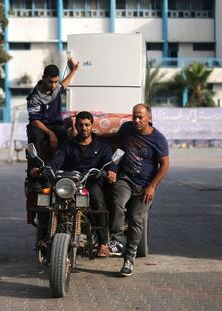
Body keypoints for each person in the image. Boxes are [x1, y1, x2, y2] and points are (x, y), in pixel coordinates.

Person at [31, 111, 117, 257]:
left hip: (90, 182)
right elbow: (55, 162)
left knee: (99, 204)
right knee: (47, 200)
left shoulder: (102, 145)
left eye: (87, 125)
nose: (84, 128)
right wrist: (43, 170)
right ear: (76, 126)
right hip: (69, 183)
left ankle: (103, 243)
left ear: (92, 126)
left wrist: (111, 171)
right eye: (80, 125)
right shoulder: (68, 145)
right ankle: (44, 238)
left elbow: (110, 161)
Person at [108, 104, 169, 276]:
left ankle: (129, 257)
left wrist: (152, 187)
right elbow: (118, 146)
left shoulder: (158, 139)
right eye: (134, 116)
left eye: (140, 117)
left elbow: (165, 165)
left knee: (136, 218)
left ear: (149, 117)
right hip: (125, 178)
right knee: (118, 200)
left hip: (145, 185)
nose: (136, 120)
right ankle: (117, 239)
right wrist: (112, 166)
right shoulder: (127, 128)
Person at [26, 58, 79, 156]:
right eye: (50, 82)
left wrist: (73, 71)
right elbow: (34, 120)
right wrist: (50, 133)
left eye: (56, 81)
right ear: (43, 78)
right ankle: (35, 167)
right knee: (35, 136)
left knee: (67, 137)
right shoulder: (34, 97)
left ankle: (65, 166)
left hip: (55, 125)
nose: (54, 85)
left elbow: (63, 84)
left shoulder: (55, 88)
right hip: (40, 126)